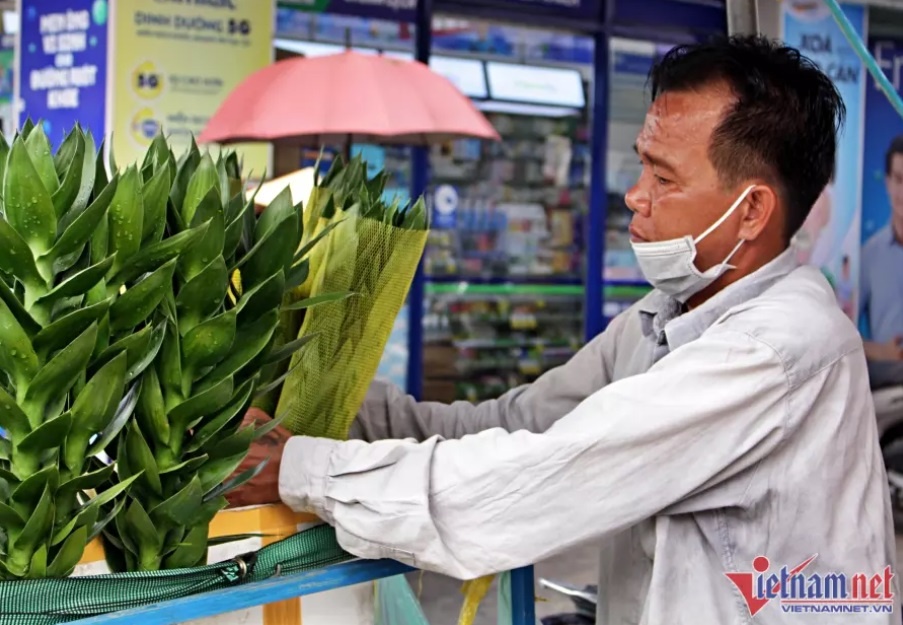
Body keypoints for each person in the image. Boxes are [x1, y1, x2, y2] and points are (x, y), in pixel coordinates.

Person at [228, 36, 898, 623]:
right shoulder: (664, 318)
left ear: (750, 211)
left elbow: (540, 477)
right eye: (641, 164)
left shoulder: (773, 350)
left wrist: (303, 469)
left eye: (662, 177)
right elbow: (509, 424)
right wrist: (328, 403)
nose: (634, 195)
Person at [860, 135, 903, 389]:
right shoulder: (870, 254)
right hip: (887, 386)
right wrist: (882, 352)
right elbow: (843, 335)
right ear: (887, 183)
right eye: (899, 180)